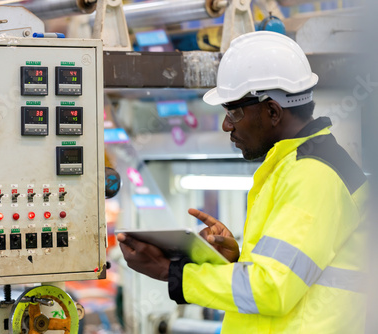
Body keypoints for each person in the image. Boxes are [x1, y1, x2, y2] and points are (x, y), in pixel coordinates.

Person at [117, 31, 368, 333]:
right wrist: (235, 261)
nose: (226, 125)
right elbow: (287, 278)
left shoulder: (314, 174)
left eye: (233, 112)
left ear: (273, 111)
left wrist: (172, 272)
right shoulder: (295, 167)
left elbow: (271, 289)